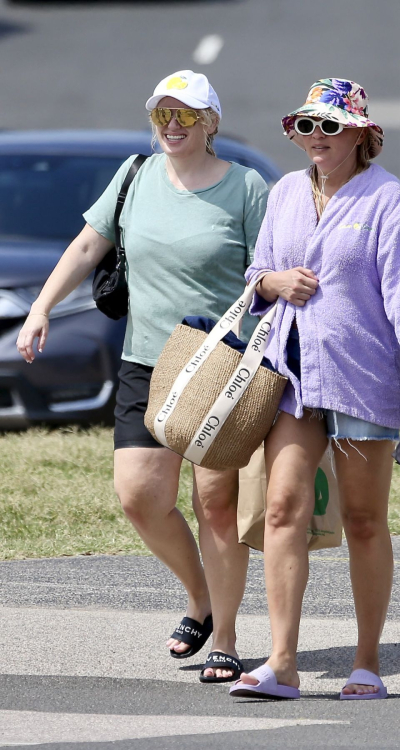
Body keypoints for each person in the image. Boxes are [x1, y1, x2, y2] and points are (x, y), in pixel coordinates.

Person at [16, 70, 269, 684]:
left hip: (219, 365)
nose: (173, 126)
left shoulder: (247, 187)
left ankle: (227, 640)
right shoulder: (134, 176)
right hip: (147, 363)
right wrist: (40, 308)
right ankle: (201, 598)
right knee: (140, 496)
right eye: (163, 115)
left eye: (186, 115)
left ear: (210, 121)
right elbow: (85, 247)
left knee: (215, 504)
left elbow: (270, 275)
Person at [229, 78, 400, 700]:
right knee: (282, 510)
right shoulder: (285, 192)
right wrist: (272, 280)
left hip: (364, 374)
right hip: (292, 375)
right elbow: (256, 271)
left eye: (329, 127)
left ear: (359, 135)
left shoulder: (386, 198)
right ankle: (282, 662)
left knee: (363, 519)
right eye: (306, 126)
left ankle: (368, 661)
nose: (315, 138)